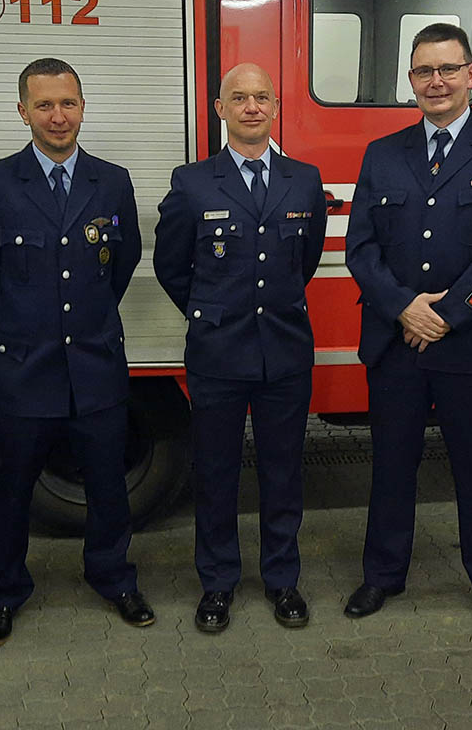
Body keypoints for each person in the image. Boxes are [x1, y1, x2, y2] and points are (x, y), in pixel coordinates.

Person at [343, 23, 472, 634]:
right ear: (410, 80)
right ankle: (382, 574)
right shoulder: (384, 153)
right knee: (391, 463)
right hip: (396, 342)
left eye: (448, 69)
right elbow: (361, 247)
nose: (436, 81)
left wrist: (447, 315)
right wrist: (405, 308)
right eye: (424, 71)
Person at [0, 58, 153, 645]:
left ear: (83, 105)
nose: (58, 116)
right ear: (23, 112)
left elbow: (119, 265)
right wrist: (26, 320)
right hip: (26, 364)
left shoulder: (111, 180)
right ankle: (5, 592)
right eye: (44, 105)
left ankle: (113, 577)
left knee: (107, 485)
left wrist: (86, 321)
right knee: (14, 486)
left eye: (68, 102)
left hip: (95, 362)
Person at [154, 63, 326, 632]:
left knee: (283, 473)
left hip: (284, 351)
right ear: (219, 109)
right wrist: (214, 314)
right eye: (239, 98)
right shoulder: (192, 181)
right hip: (217, 354)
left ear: (276, 108)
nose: (252, 107)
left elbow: (304, 261)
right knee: (217, 473)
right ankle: (218, 582)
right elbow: (172, 266)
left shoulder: (304, 179)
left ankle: (282, 579)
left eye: (262, 98)